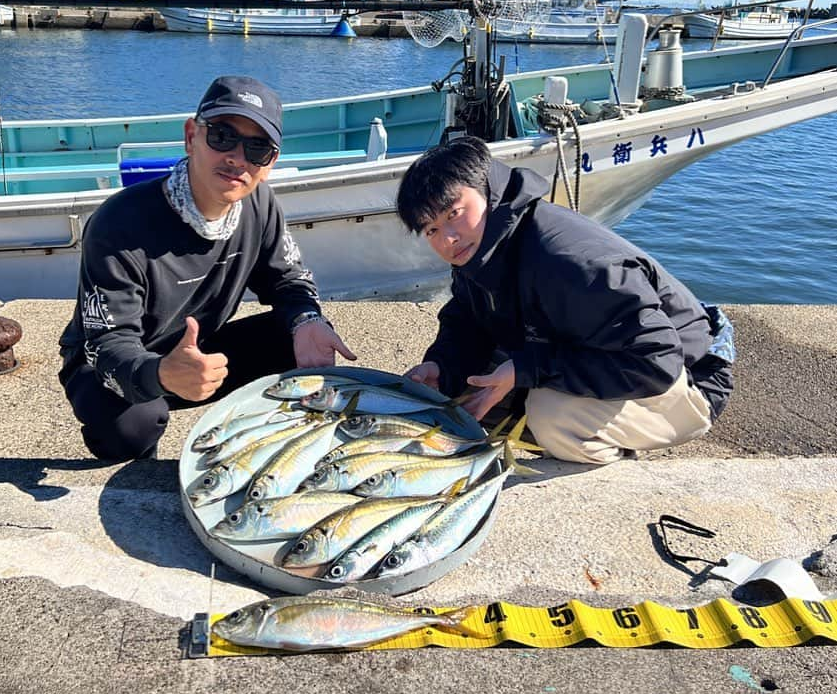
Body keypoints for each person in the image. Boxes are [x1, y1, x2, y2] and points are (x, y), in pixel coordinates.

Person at [59, 75, 356, 462]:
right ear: (191, 136)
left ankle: (274, 451)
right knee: (134, 426)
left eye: (257, 148)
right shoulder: (119, 224)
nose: (237, 157)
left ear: (270, 163)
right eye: (222, 136)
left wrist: (308, 319)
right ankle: (135, 468)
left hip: (197, 351)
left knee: (300, 341)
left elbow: (289, 280)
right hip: (110, 363)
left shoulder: (260, 206)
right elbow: (107, 345)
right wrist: (161, 374)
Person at [396, 135, 734, 465]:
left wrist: (530, 369)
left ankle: (607, 450)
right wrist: (443, 366)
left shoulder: (570, 262)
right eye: (432, 230)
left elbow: (656, 361)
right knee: (456, 393)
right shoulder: (481, 249)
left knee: (552, 420)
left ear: (487, 189)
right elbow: (469, 320)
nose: (448, 239)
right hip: (599, 349)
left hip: (688, 373)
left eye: (454, 213)